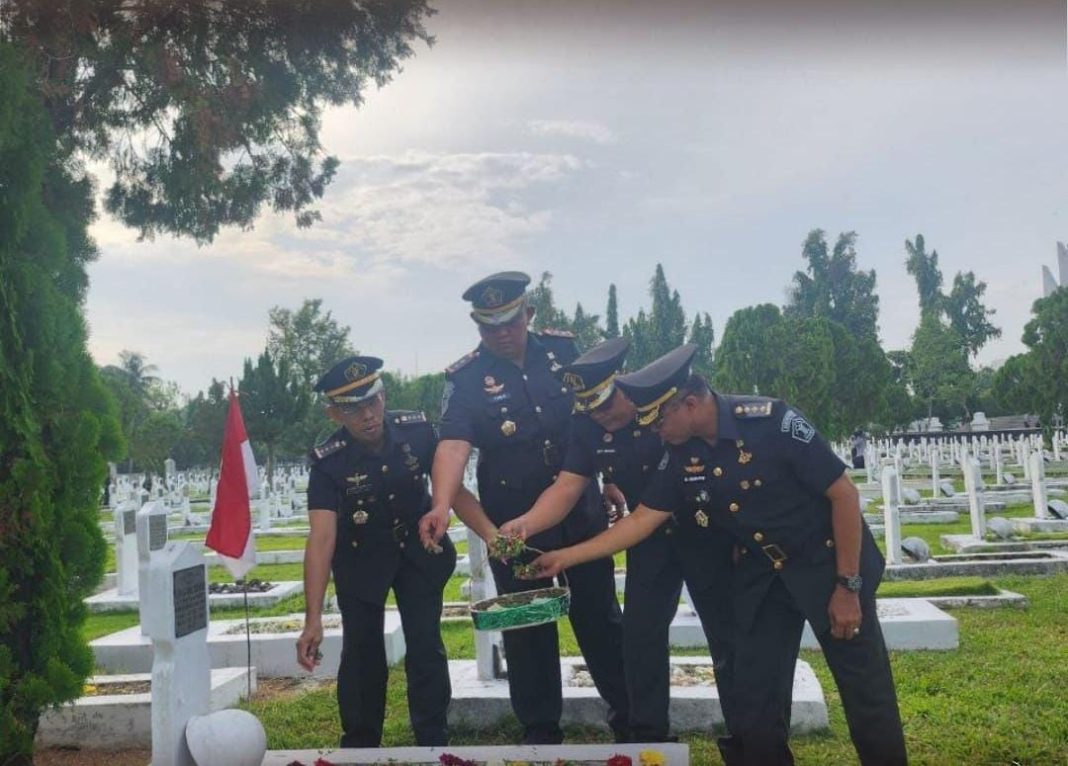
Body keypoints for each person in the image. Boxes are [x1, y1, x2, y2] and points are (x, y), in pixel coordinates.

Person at [530, 344, 908, 766]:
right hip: (766, 578)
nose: (652, 431)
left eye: (658, 421)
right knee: (755, 696)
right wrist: (566, 557)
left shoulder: (774, 421)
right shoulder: (683, 454)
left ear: (689, 404)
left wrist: (848, 586)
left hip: (828, 568)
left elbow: (844, 494)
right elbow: (641, 521)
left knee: (865, 693)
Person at [418, 271, 630, 745]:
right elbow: (452, 447)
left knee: (600, 617)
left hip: (580, 512)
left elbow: (596, 414)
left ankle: (630, 718)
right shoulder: (466, 377)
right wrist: (440, 504)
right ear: (477, 327)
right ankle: (540, 730)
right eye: (489, 326)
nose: (501, 333)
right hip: (514, 526)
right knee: (526, 626)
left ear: (528, 314)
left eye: (510, 321)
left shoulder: (563, 350)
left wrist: (611, 476)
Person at [498, 336, 738, 749]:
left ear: (623, 387)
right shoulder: (588, 424)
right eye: (589, 407)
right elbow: (568, 486)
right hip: (649, 542)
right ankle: (647, 739)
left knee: (726, 635)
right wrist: (525, 524)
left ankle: (747, 732)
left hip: (705, 533)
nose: (600, 416)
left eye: (606, 404)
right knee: (640, 636)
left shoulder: (662, 405)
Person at [297, 355, 474, 748]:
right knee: (362, 653)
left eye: (373, 401)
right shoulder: (328, 462)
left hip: (418, 554)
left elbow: (452, 490)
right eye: (352, 408)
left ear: (384, 396)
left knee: (426, 645)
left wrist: (491, 535)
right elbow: (322, 538)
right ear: (333, 414)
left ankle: (432, 738)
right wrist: (313, 619)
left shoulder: (417, 432)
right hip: (360, 562)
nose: (368, 414)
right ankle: (360, 743)